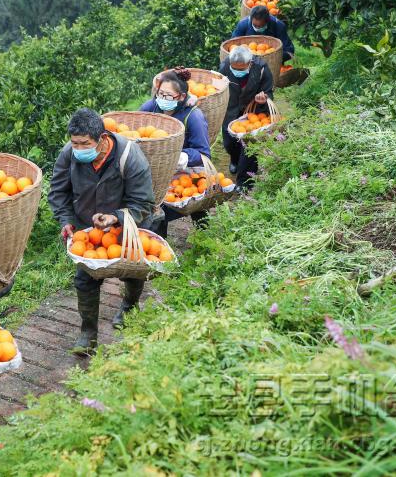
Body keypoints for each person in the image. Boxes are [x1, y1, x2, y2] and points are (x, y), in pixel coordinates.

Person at [48, 108, 155, 349]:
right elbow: (58, 192)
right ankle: (88, 333)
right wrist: (66, 220)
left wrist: (115, 218)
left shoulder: (130, 156)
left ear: (103, 138)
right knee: (85, 279)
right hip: (89, 229)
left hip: (127, 224)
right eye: (74, 143)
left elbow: (143, 203)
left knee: (132, 271)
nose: (78, 148)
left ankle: (128, 307)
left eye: (84, 143)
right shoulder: (70, 154)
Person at [140, 67, 211, 237]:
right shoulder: (152, 107)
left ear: (181, 96)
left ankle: (204, 238)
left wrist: (182, 157)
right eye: (160, 93)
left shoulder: (193, 116)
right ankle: (158, 248)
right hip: (158, 172)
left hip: (185, 174)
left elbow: (204, 154)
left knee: (183, 209)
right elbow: (135, 128)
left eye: (168, 96)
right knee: (155, 210)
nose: (163, 99)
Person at [218, 45, 274, 189]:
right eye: (234, 68)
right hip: (230, 110)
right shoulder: (224, 68)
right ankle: (234, 160)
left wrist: (263, 98)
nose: (237, 71)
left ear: (250, 63)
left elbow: (268, 92)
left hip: (253, 111)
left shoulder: (261, 68)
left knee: (249, 146)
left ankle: (245, 181)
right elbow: (219, 90)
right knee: (230, 143)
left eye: (241, 69)